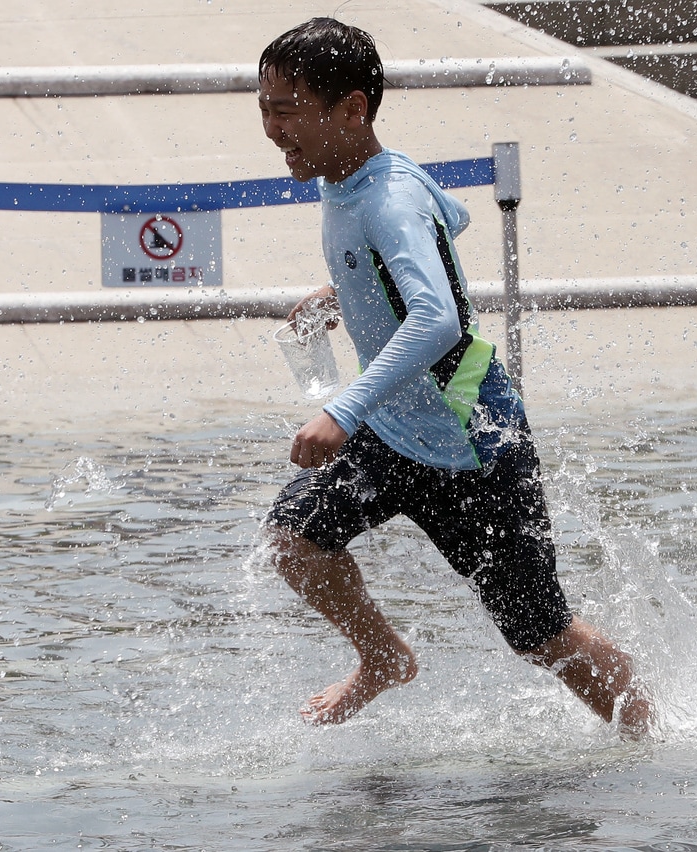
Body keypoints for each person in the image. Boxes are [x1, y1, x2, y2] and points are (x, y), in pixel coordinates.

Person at [256, 17, 650, 734]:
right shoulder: (360, 176)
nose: (275, 128)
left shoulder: (387, 196)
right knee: (294, 540)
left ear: (352, 110)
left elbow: (437, 321)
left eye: (289, 110)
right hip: (394, 429)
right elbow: (455, 216)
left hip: (471, 438)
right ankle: (383, 658)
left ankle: (652, 739)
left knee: (542, 637)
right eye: (266, 109)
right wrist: (349, 288)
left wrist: (343, 409)